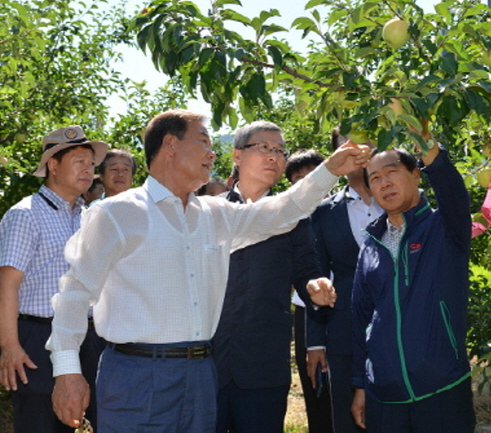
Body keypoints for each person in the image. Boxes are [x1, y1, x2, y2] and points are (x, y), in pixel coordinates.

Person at [46, 109, 370, 433]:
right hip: (138, 374)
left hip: (202, 373)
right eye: (204, 141)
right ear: (170, 144)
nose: (212, 153)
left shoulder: (214, 215)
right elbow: (74, 293)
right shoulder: (117, 213)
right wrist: (67, 372)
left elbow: (281, 212)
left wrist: (329, 171)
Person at [350, 138, 476, 432]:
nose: (384, 183)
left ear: (417, 174)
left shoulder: (445, 227)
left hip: (442, 386)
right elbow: (360, 318)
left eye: (392, 172)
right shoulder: (370, 246)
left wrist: (427, 144)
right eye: (375, 178)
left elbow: (453, 191)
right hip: (383, 393)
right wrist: (360, 385)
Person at [213, 124, 330, 433]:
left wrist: (314, 287)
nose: (274, 157)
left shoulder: (292, 216)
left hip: (263, 363)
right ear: (237, 155)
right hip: (208, 361)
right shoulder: (210, 211)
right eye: (264, 148)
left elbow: (306, 269)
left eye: (280, 151)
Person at [0, 125, 108, 433]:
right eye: (79, 161)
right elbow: (7, 284)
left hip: (90, 338)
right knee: (41, 422)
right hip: (38, 339)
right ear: (53, 165)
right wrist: (9, 345)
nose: (88, 169)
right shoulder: (26, 214)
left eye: (91, 163)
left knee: (92, 422)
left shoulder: (90, 216)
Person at [307, 130, 383, 433]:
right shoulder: (325, 212)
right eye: (346, 145)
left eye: (366, 142)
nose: (357, 151)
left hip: (399, 326)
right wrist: (316, 340)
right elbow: (316, 275)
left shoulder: (398, 199)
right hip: (344, 328)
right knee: (347, 415)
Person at [285, 149, 334, 433]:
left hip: (346, 308)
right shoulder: (286, 218)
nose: (306, 184)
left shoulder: (342, 211)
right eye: (298, 179)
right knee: (316, 385)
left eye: (312, 177)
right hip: (307, 312)